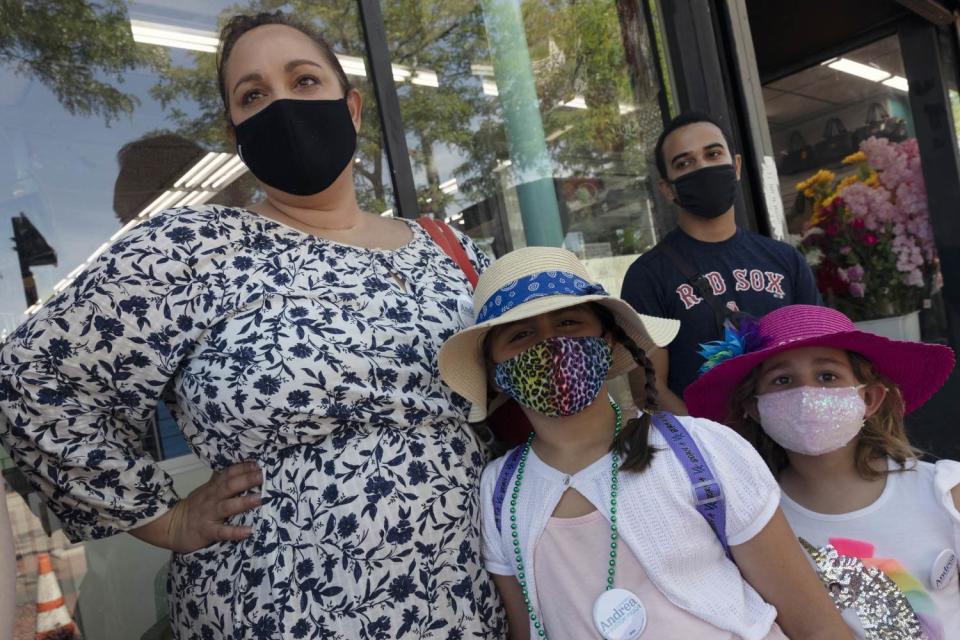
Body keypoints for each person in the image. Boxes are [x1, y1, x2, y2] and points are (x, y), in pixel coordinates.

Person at [0, 11, 503, 639]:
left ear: (350, 109)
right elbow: (34, 374)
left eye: (304, 80)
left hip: (467, 606)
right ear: (236, 134)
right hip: (276, 613)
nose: (283, 105)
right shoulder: (188, 248)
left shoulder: (447, 251)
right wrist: (165, 520)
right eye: (254, 95)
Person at [438, 247, 851, 640]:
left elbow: (816, 624)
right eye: (521, 335)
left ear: (610, 339)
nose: (550, 346)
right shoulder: (500, 491)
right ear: (496, 373)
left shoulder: (701, 450)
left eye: (568, 324)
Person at [685, 304, 960, 639]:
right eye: (782, 380)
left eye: (828, 376)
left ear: (870, 398)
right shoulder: (754, 522)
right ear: (755, 409)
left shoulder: (944, 491)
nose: (806, 394)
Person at [620, 111, 820, 415]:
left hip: (793, 443)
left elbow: (820, 351)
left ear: (736, 166)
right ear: (667, 188)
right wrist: (716, 445)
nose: (702, 167)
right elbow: (649, 389)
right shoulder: (648, 276)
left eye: (713, 154)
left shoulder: (786, 260)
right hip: (707, 453)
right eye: (684, 163)